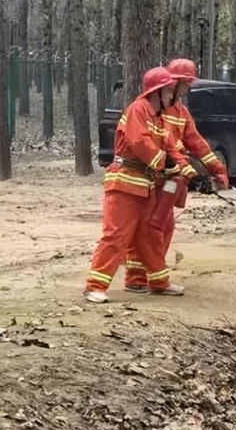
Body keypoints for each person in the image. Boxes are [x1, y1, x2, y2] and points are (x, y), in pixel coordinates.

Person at [83, 66, 197, 304]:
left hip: (144, 185)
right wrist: (164, 162)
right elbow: (139, 142)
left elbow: (170, 147)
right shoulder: (138, 109)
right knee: (116, 236)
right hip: (125, 183)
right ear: (157, 92)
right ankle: (95, 286)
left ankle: (158, 282)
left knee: (150, 236)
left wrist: (190, 171)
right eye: (168, 92)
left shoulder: (158, 118)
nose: (172, 96)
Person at [123, 58, 230, 293]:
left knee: (164, 226)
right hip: (156, 176)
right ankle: (137, 277)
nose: (186, 89)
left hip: (172, 177)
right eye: (185, 84)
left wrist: (216, 169)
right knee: (152, 226)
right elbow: (157, 144)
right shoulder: (155, 110)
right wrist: (178, 167)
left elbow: (196, 142)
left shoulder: (181, 112)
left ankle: (151, 275)